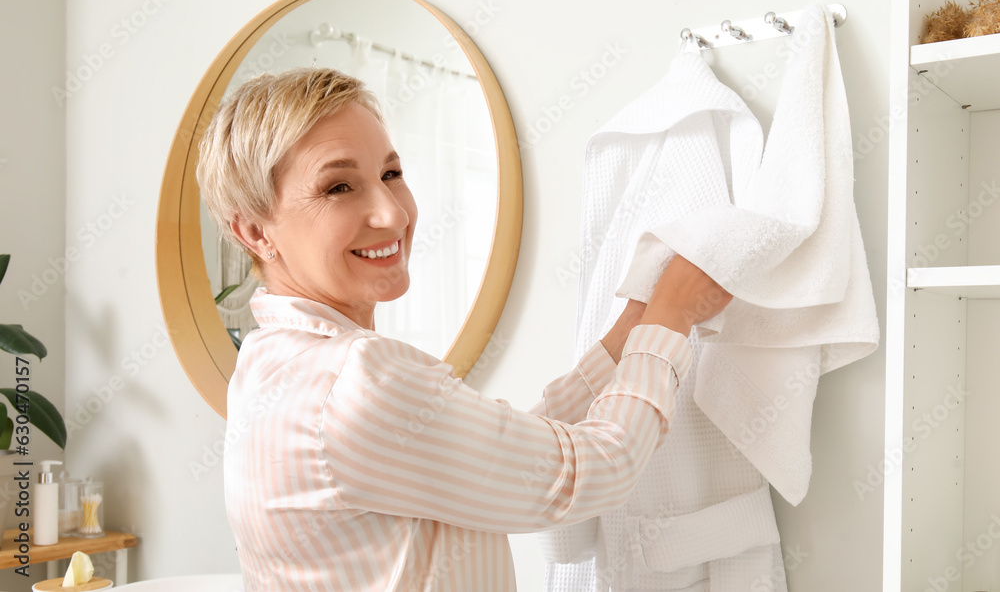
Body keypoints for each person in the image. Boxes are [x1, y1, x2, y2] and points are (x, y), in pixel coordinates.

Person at [197, 67, 732, 591]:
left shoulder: (268, 363)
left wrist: (629, 333)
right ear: (254, 231)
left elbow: (482, 455)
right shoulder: (355, 377)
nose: (391, 213)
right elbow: (584, 474)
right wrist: (671, 317)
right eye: (339, 187)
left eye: (391, 174)